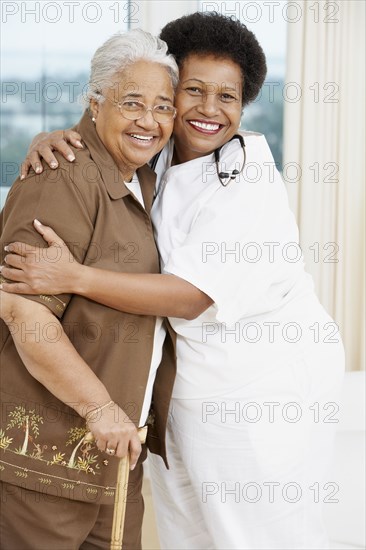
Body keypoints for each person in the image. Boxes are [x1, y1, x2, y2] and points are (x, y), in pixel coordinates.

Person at [2, 12, 345, 550]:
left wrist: (76, 276)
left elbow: (191, 295)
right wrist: (59, 137)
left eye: (227, 97)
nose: (208, 110)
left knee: (256, 533)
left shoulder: (245, 173)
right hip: (176, 393)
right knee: (194, 532)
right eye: (191, 92)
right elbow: (115, 119)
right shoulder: (148, 156)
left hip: (263, 380)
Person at [0, 29, 180, 550]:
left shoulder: (144, 176)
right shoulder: (60, 176)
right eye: (132, 103)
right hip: (43, 460)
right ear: (94, 102)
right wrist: (100, 409)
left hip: (115, 459)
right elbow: (23, 315)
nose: (150, 120)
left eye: (162, 106)